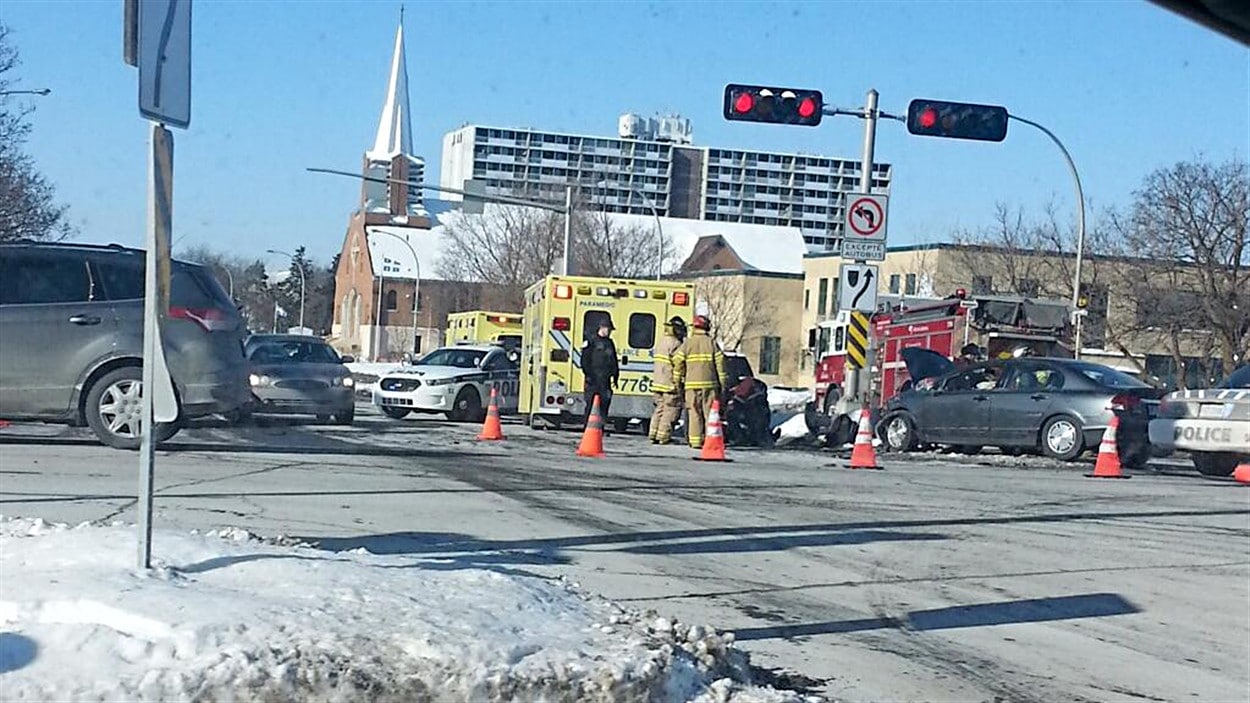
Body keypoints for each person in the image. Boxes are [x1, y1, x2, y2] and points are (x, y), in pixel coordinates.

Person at [672, 315, 728, 450]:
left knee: (694, 413)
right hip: (710, 385)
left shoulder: (687, 343)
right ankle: (710, 440)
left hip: (691, 385)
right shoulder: (711, 343)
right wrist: (723, 382)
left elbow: (677, 361)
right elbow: (720, 363)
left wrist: (677, 380)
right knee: (709, 413)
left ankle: (695, 441)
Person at [648, 317, 686, 445]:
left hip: (657, 383)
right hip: (669, 384)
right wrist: (678, 382)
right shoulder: (676, 344)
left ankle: (653, 433)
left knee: (659, 408)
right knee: (670, 410)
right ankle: (664, 437)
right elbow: (679, 365)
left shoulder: (661, 342)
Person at [581, 318, 619, 423]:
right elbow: (585, 361)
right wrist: (589, 375)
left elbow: (614, 361)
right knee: (590, 405)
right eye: (608, 329)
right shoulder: (591, 341)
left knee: (605, 404)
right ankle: (587, 426)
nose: (610, 331)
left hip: (605, 380)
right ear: (602, 328)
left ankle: (600, 427)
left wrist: (615, 376)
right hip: (593, 380)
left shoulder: (610, 343)